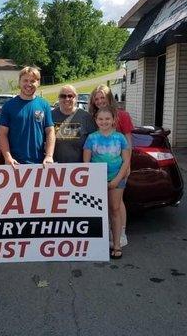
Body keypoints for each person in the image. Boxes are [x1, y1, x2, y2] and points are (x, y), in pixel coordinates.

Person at [89, 84, 134, 248]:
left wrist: (127, 164)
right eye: (97, 98)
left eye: (103, 97)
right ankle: (108, 233)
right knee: (103, 202)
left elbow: (128, 141)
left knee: (117, 202)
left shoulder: (122, 115)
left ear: (109, 98)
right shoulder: (94, 117)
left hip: (118, 167)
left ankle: (121, 233)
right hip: (98, 169)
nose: (100, 101)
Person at [83, 106, 131, 259]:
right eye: (101, 119)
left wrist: (117, 180)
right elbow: (86, 162)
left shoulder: (120, 138)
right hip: (97, 180)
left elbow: (126, 161)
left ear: (113, 120)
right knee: (99, 212)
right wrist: (96, 181)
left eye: (107, 119)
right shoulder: (91, 138)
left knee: (115, 210)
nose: (104, 122)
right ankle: (99, 245)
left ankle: (116, 244)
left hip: (117, 179)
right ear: (96, 121)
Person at [0, 66, 55, 165]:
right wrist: (8, 157)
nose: (29, 84)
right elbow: (2, 134)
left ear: (38, 83)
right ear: (19, 82)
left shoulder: (44, 105)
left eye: (33, 81)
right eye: (25, 80)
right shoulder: (8, 106)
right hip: (14, 164)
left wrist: (49, 156)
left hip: (41, 164)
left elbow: (50, 131)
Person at [52, 85, 96, 163]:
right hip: (56, 168)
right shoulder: (50, 116)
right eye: (63, 96)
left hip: (80, 168)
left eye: (70, 96)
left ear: (76, 98)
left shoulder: (86, 117)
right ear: (58, 98)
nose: (67, 99)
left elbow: (94, 143)